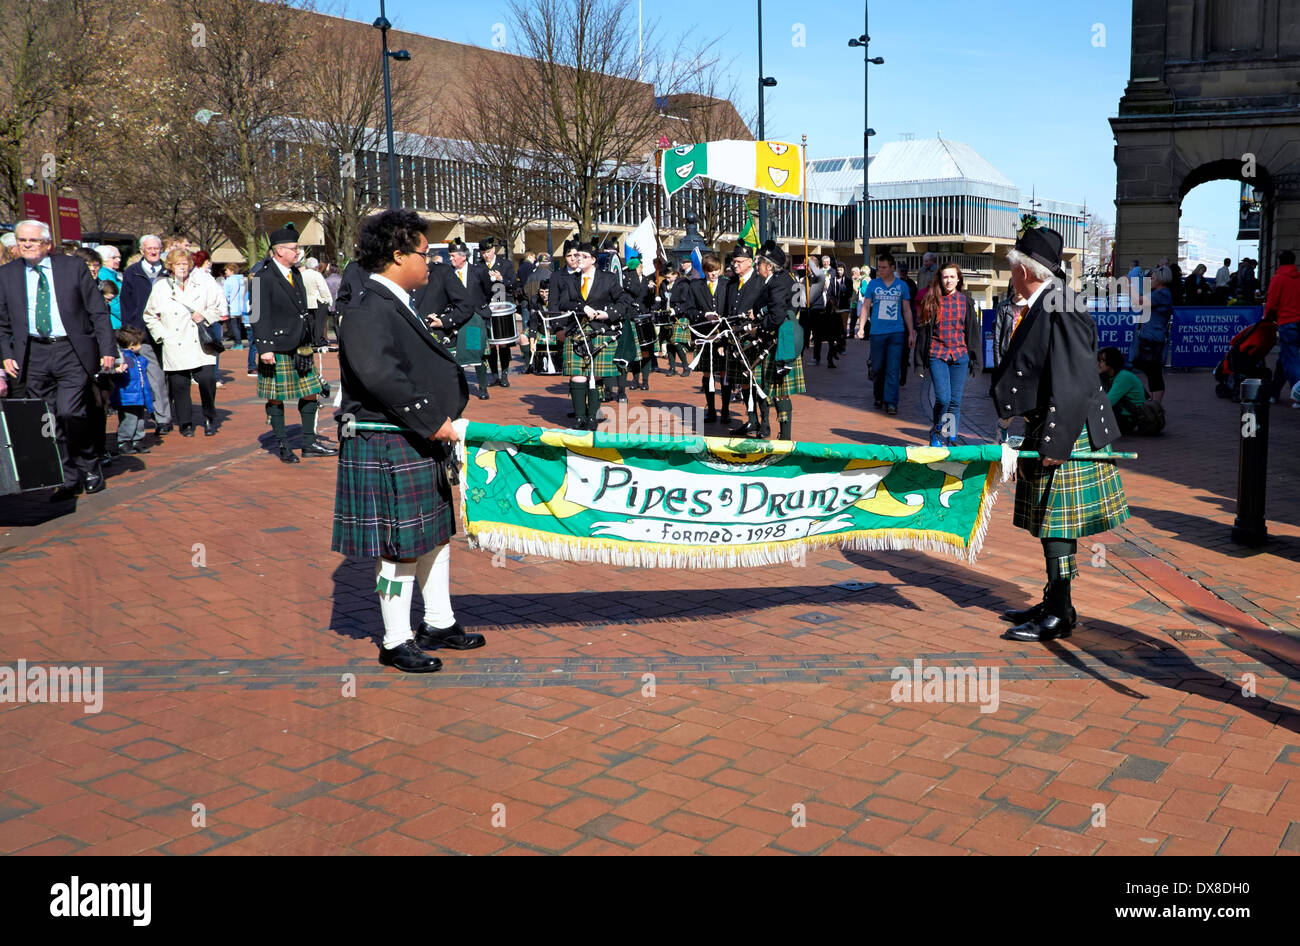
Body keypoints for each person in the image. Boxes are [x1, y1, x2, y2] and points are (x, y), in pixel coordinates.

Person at [333, 208, 483, 673]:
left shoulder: (395, 301)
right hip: (390, 439)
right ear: (398, 256)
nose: (432, 262)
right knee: (398, 548)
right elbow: (380, 375)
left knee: (435, 538)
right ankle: (396, 638)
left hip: (413, 439)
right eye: (425, 253)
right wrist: (432, 419)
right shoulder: (366, 306)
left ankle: (439, 621)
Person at [991, 226, 1128, 643]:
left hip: (1066, 428)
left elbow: (1073, 380)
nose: (1010, 272)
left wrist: (1056, 443)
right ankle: (1056, 601)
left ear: (1027, 271)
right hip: (1051, 424)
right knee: (1050, 524)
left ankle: (1059, 611)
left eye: (1014, 266)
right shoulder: (1045, 302)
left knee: (1057, 524)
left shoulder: (1060, 305)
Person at [0, 219, 116, 499]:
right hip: (33, 354)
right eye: (22, 240)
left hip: (71, 351)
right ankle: (68, 476)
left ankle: (89, 464)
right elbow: (1, 321)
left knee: (69, 412)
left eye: (33, 240)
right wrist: (6, 355)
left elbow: (98, 311)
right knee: (48, 419)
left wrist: (108, 350)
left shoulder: (71, 267)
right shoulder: (7, 275)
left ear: (47, 244)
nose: (26, 245)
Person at [252, 224, 336, 462]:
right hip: (276, 346)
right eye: (294, 248)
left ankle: (309, 443)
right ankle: (282, 446)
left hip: (300, 343)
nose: (298, 251)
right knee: (276, 396)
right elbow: (258, 314)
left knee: (311, 392)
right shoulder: (262, 277)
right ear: (279, 251)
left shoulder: (296, 273)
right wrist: (264, 348)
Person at [142, 247, 227, 437]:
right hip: (174, 341)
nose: (183, 267)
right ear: (170, 267)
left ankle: (209, 416)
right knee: (179, 385)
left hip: (200, 342)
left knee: (207, 380)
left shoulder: (203, 283)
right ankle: (185, 422)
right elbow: (149, 315)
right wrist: (162, 335)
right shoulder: (161, 287)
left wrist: (204, 315)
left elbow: (219, 307)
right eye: (178, 264)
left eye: (185, 263)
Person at [552, 241, 625, 430]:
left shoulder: (608, 279)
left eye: (583, 256)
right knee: (578, 376)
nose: (578, 259)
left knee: (595, 374)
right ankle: (579, 417)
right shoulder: (570, 279)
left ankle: (592, 417)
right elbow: (562, 303)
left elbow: (624, 301)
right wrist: (582, 307)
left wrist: (607, 314)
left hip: (600, 330)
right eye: (577, 256)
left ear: (593, 260)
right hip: (576, 330)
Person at [414, 238, 491, 399]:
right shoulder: (446, 272)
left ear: (463, 256)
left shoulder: (478, 271)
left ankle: (482, 387)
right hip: (451, 322)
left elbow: (487, 292)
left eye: (453, 255)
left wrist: (481, 310)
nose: (450, 259)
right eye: (449, 256)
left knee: (475, 352)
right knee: (457, 358)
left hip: (472, 320)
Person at [915, 262, 981, 447]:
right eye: (945, 277)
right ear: (940, 279)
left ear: (958, 279)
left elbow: (973, 332)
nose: (949, 280)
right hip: (938, 354)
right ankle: (936, 431)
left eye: (952, 276)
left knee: (954, 401)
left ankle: (951, 438)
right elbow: (923, 333)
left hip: (960, 356)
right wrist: (919, 362)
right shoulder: (932, 300)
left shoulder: (965, 301)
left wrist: (976, 360)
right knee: (943, 398)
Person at [119, 235, 173, 435]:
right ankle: (163, 418)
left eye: (156, 248)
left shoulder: (169, 271)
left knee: (171, 376)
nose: (153, 251)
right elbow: (126, 305)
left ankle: (164, 412)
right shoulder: (132, 273)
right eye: (149, 248)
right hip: (143, 333)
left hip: (169, 330)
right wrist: (130, 333)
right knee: (156, 376)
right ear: (142, 250)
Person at [753, 241, 803, 440]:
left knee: (781, 392)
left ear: (770, 266)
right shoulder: (785, 278)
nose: (758, 267)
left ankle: (785, 438)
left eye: (759, 264)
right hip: (784, 338)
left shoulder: (778, 282)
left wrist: (757, 323)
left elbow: (776, 317)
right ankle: (783, 435)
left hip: (780, 341)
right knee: (777, 391)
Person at [857, 251, 914, 415]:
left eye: (883, 267)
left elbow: (907, 310)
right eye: (879, 267)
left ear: (892, 267)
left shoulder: (901, 286)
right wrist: (861, 328)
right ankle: (879, 396)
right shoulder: (874, 285)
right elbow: (866, 306)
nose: (880, 270)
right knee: (877, 367)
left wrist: (911, 333)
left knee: (893, 368)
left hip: (896, 332)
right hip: (877, 332)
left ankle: (891, 402)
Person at [724, 244, 767, 435]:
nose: (736, 265)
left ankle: (764, 423)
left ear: (750, 262)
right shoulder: (731, 283)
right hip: (736, 339)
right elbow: (727, 312)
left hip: (754, 339)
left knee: (758, 383)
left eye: (739, 262)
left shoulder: (761, 282)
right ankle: (751, 420)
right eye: (734, 262)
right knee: (743, 382)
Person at [691, 252, 732, 425]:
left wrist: (725, 337)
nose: (712, 274)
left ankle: (725, 410)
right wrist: (703, 315)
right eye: (708, 271)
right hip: (704, 336)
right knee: (707, 373)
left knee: (724, 374)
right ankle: (711, 410)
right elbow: (689, 310)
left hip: (723, 335)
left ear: (720, 269)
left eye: (715, 270)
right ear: (704, 270)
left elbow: (732, 310)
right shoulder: (695, 286)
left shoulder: (728, 285)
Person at [479, 237, 518, 387]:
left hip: (503, 309)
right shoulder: (479, 267)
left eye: (488, 252)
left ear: (493, 250)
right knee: (490, 343)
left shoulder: (505, 264)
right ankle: (494, 375)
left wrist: (501, 279)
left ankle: (505, 375)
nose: (486, 255)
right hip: (488, 309)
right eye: (483, 252)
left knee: (503, 343)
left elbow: (514, 283)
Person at [109, 326, 155, 454]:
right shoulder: (125, 358)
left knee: (139, 419)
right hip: (128, 397)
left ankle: (137, 439)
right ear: (132, 345)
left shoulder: (137, 357)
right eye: (139, 343)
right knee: (129, 420)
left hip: (138, 395)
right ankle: (124, 440)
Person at [1132, 264, 1173, 404]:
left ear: (1161, 280)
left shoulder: (1162, 295)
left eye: (1153, 278)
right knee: (1148, 370)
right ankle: (1152, 401)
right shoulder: (1159, 294)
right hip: (1149, 337)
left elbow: (1139, 301)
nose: (1150, 280)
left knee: (1153, 373)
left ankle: (1155, 405)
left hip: (1153, 338)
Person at [1264, 249, 1300, 406]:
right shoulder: (1298, 278)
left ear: (1279, 262)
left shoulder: (1278, 278)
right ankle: (1274, 392)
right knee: (1283, 358)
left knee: (1290, 358)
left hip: (1287, 322)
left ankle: (1298, 393)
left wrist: (1266, 319)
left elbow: (1271, 303)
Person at [1097, 346, 1157, 434]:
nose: (1098, 364)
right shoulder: (1108, 377)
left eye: (1102, 361)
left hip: (1128, 419)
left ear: (1111, 362)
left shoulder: (1123, 377)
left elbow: (1107, 403)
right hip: (1122, 415)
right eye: (1098, 360)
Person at [300, 257, 333, 350]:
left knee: (310, 322)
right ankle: (318, 340)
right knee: (319, 321)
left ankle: (311, 339)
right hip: (318, 300)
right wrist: (328, 299)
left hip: (306, 300)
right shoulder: (316, 275)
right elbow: (322, 288)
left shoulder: (302, 275)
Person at [95, 245, 123, 329]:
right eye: (114, 257)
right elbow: (113, 301)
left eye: (119, 257)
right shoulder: (103, 275)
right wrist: (126, 317)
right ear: (103, 259)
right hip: (113, 323)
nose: (119, 260)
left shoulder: (113, 275)